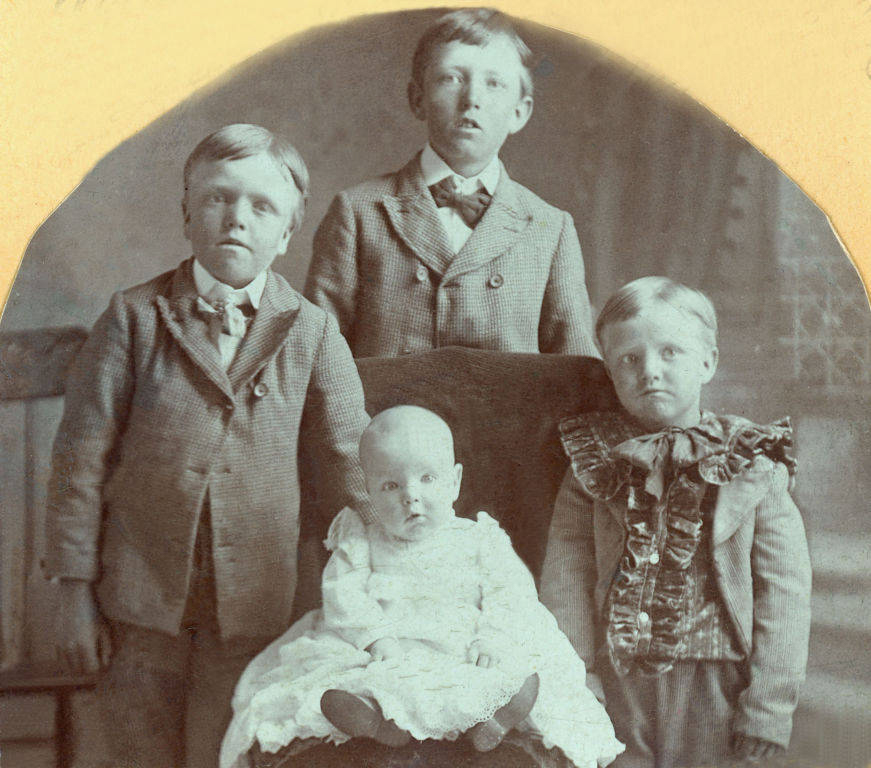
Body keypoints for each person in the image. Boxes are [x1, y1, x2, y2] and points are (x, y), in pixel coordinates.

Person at [42, 123, 373, 768]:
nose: (237, 218)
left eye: (262, 206)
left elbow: (349, 463)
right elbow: (79, 462)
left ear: (287, 233)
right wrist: (73, 590)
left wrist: (380, 582)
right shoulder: (134, 318)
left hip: (258, 609)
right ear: (187, 213)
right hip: (138, 603)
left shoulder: (310, 332)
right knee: (138, 751)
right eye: (218, 197)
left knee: (226, 753)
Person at [220, 406, 624, 768]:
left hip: (464, 644)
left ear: (454, 481)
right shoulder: (360, 539)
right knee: (359, 677)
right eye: (390, 486)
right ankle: (375, 721)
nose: (411, 497)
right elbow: (343, 594)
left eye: (427, 478)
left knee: (495, 673)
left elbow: (510, 592)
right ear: (369, 492)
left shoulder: (478, 538)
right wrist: (375, 637)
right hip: (387, 645)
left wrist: (492, 638)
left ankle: (493, 718)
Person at [539, 276, 812, 768]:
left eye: (670, 352)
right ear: (610, 372)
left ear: (708, 362)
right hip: (618, 679)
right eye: (629, 359)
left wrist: (769, 707)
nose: (650, 371)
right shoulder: (593, 461)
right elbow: (566, 575)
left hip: (719, 679)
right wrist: (575, 677)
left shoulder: (751, 460)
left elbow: (785, 590)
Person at [304, 8, 598, 358]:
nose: (472, 99)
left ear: (519, 112)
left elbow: (577, 367)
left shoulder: (550, 229)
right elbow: (316, 354)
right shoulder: (359, 212)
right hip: (384, 397)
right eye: (452, 78)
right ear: (418, 99)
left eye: (494, 83)